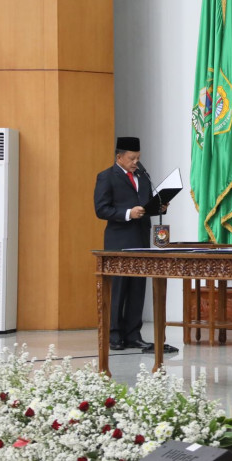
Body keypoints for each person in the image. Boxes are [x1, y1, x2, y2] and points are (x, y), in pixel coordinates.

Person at [94, 137, 177, 354]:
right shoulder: (106, 177)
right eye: (131, 158)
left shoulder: (142, 175)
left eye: (138, 158)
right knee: (119, 287)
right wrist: (127, 213)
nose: (135, 162)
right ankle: (114, 335)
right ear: (119, 157)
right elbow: (101, 209)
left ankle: (133, 334)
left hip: (140, 239)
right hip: (119, 241)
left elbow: (148, 202)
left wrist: (159, 206)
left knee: (137, 287)